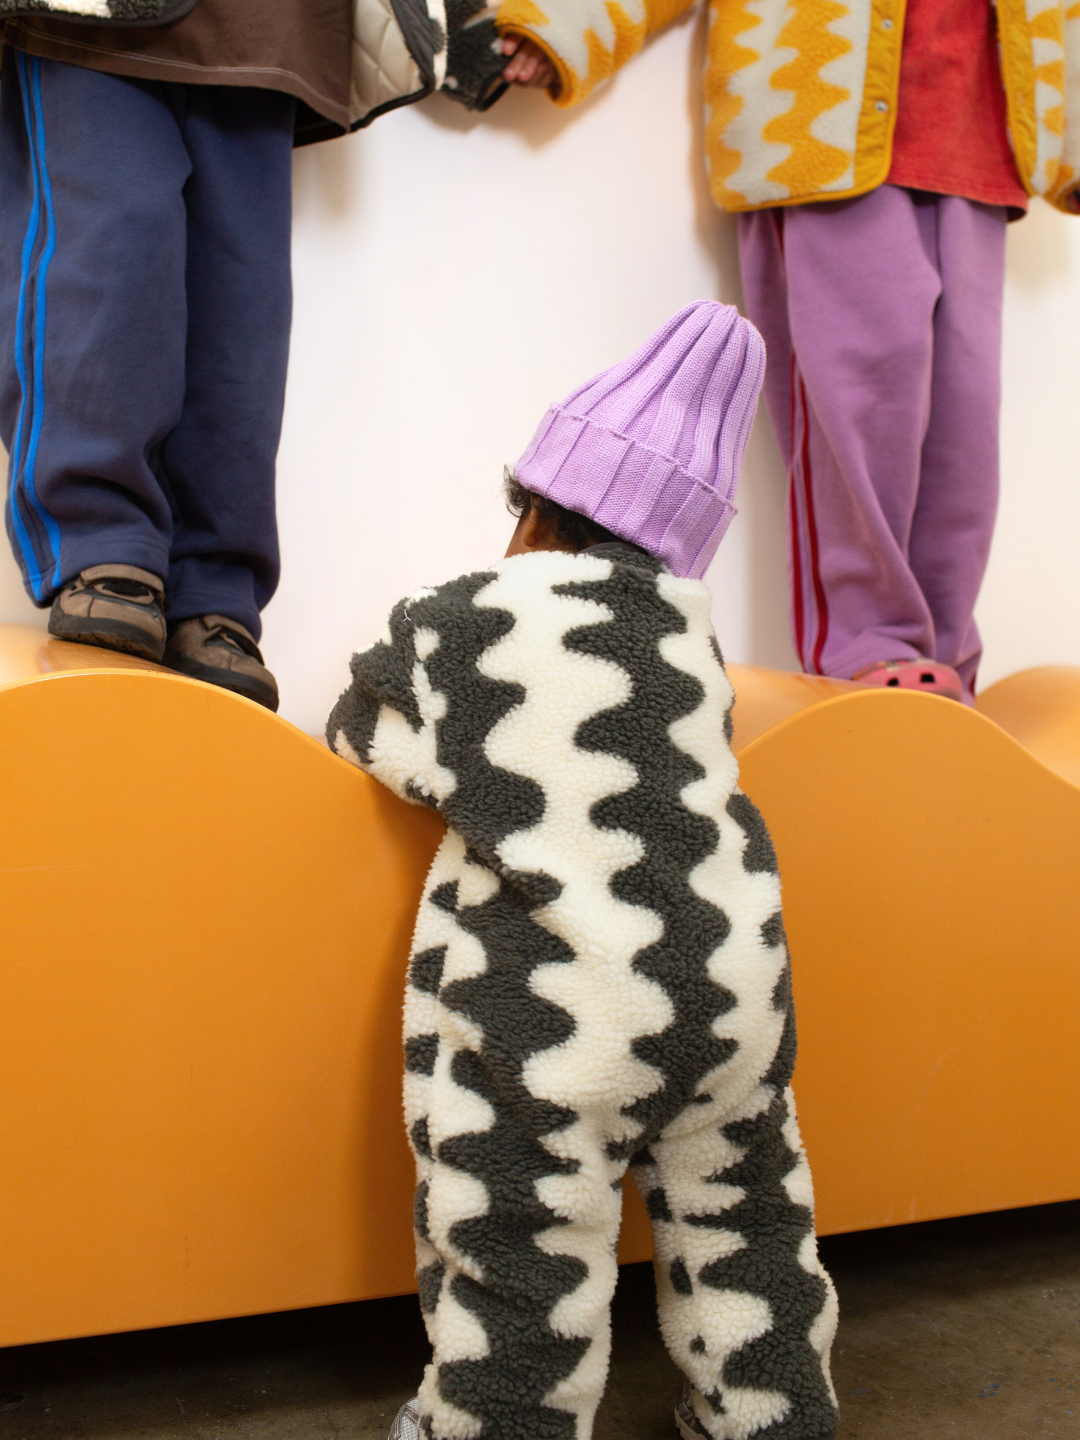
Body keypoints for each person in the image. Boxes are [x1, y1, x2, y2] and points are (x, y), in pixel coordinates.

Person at [326, 302, 840, 1440]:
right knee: (750, 1224)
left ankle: (494, 1423)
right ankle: (774, 1416)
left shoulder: (455, 615)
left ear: (537, 506)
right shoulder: (691, 643)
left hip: (565, 1020)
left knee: (519, 1234)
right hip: (732, 990)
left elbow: (360, 732)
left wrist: (468, 776)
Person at [490, 0, 1080, 704]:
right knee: (863, 407)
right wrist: (559, 26)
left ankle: (944, 663)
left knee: (965, 434)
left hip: (983, 145)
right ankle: (870, 644)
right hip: (818, 127)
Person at [0, 0, 555, 711]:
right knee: (108, 243)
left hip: (276, 24)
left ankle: (215, 589)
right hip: (87, 19)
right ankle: (103, 542)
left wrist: (504, 26)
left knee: (243, 300)